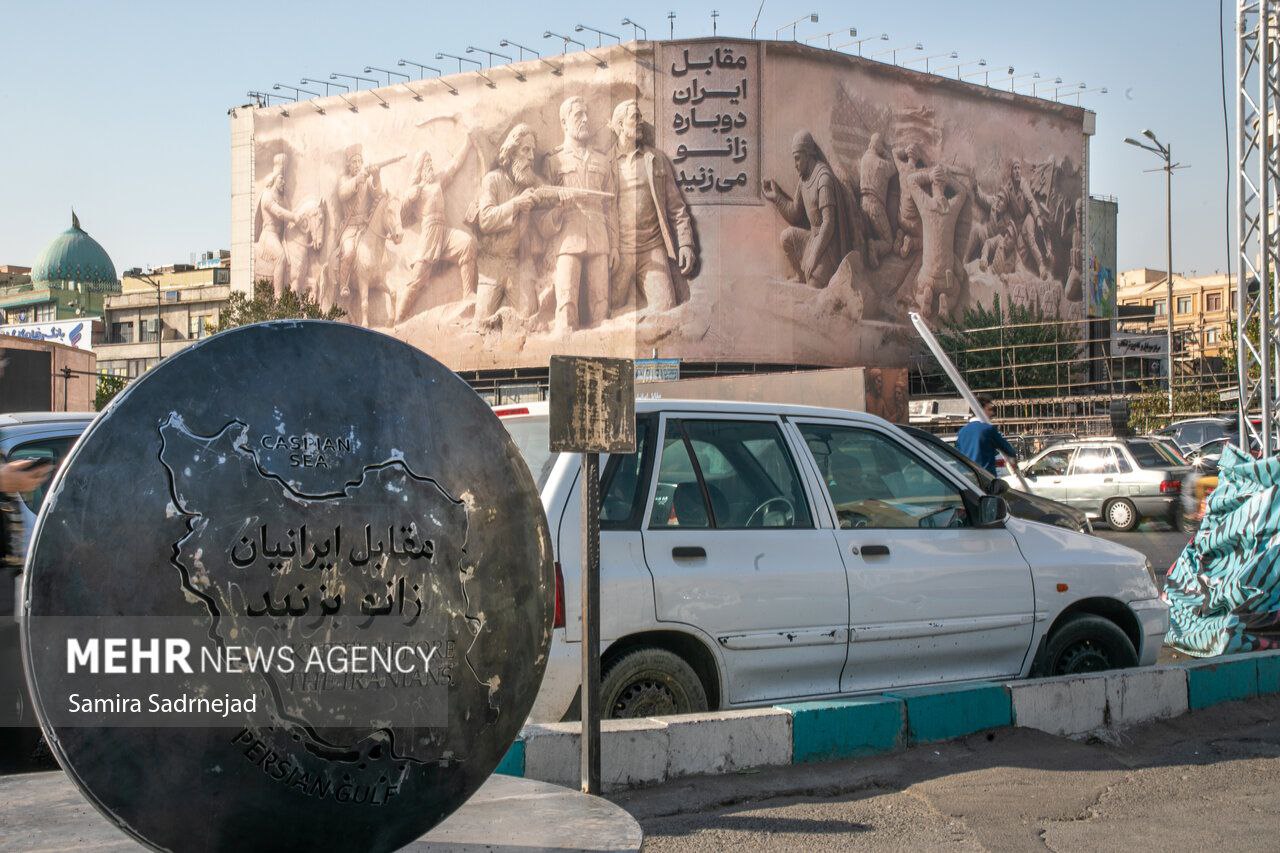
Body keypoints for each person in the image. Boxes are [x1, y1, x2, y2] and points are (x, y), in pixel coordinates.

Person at [956, 396, 1017, 476]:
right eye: (989, 410)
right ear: (980, 410)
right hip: (985, 478)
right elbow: (1009, 450)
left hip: (966, 479)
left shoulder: (961, 432)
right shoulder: (988, 429)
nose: (992, 413)